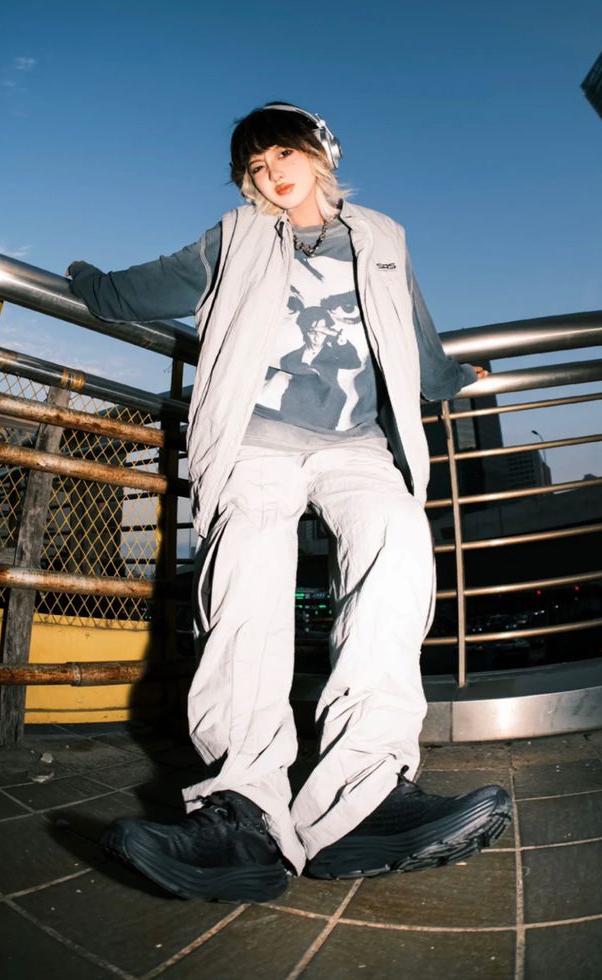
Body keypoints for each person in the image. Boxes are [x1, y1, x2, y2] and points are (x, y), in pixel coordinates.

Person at [66, 103, 509, 903]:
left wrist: (452, 380)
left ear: (318, 154)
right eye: (258, 167)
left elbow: (411, 336)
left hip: (359, 445)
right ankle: (244, 808)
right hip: (257, 441)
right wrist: (88, 284)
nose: (273, 174)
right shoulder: (233, 236)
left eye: (284, 155)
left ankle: (362, 799)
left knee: (398, 552)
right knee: (245, 578)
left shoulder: (381, 236)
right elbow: (144, 289)